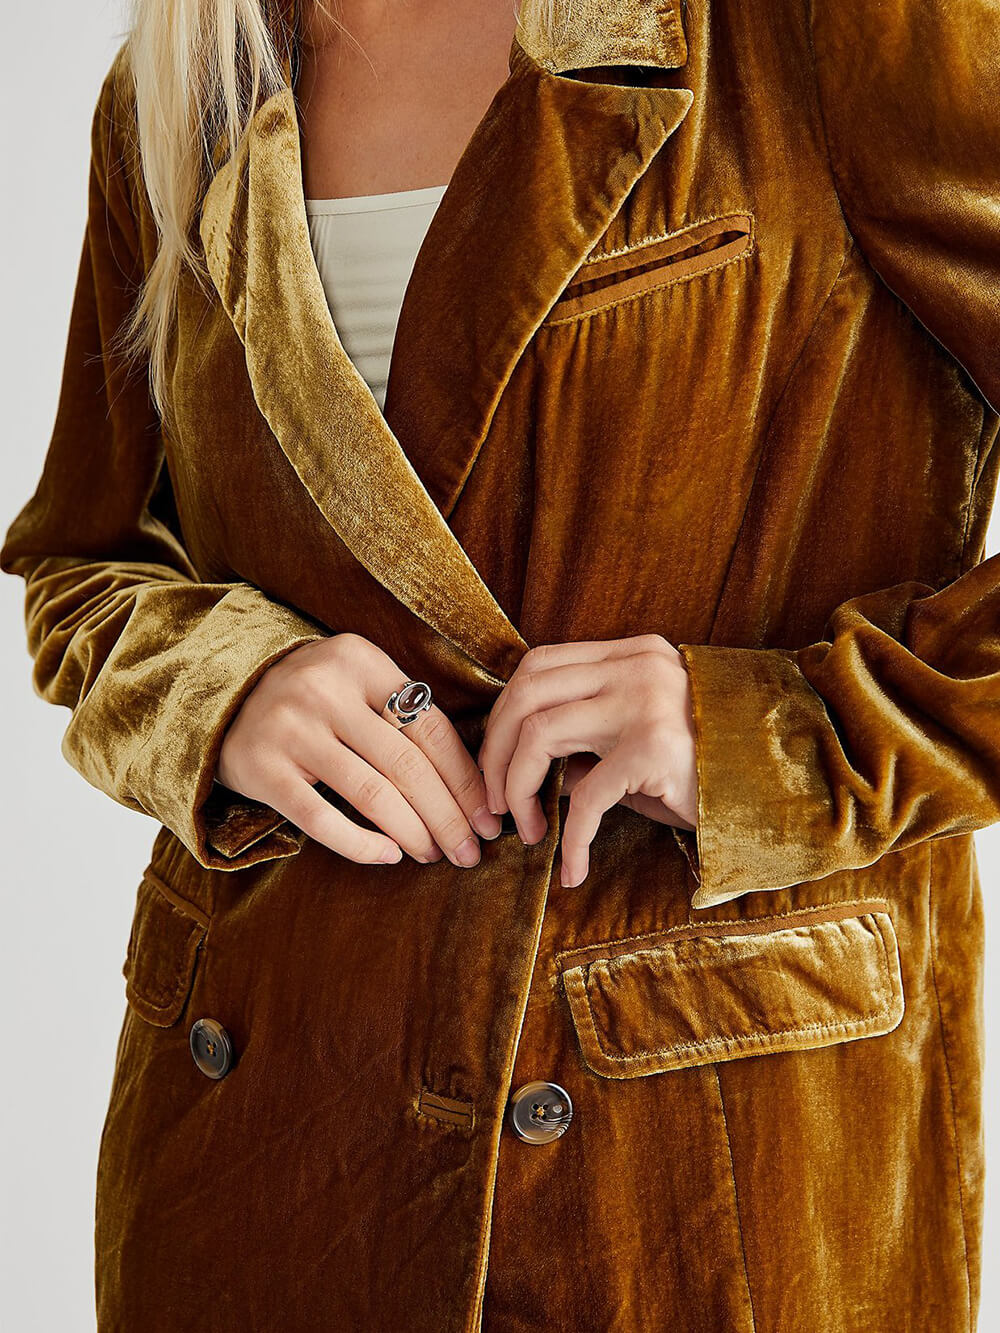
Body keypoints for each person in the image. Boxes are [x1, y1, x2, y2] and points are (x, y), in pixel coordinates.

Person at [2, 0, 998, 1328]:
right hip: (259, 1147)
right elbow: (84, 560)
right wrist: (221, 687)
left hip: (692, 1165)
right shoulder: (187, 85)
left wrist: (773, 736)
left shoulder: (837, 30)